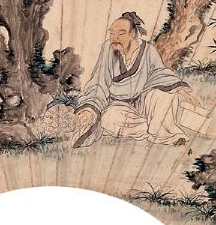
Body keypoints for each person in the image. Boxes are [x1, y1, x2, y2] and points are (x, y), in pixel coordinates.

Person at [71, 11, 201, 148]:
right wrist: (90, 108)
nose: (114, 38)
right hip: (119, 106)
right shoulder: (108, 48)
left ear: (132, 34)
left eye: (120, 34)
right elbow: (99, 81)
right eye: (111, 33)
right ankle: (155, 128)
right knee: (108, 119)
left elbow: (160, 73)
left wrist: (181, 91)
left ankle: (164, 131)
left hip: (144, 102)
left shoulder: (148, 50)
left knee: (165, 96)